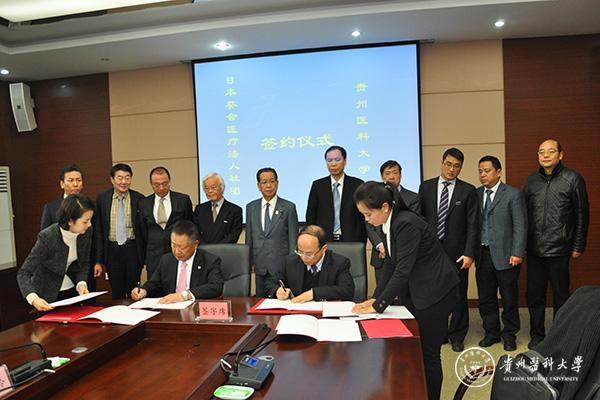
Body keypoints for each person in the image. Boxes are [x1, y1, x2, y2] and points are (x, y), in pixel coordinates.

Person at [352, 181, 459, 400]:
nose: (366, 220)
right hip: (417, 290)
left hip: (435, 293)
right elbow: (390, 264)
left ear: (384, 207)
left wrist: (379, 305)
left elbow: (402, 270)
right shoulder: (388, 223)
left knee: (429, 354)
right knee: (413, 350)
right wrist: (376, 297)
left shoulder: (406, 223)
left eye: (368, 214)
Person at [523, 139, 589, 349]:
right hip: (534, 249)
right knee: (535, 296)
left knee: (561, 296)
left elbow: (582, 215)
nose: (545, 155)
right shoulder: (531, 181)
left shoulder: (573, 179)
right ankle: (537, 335)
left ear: (560, 155)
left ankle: (559, 336)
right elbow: (523, 215)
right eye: (541, 152)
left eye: (550, 151)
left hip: (560, 248)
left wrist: (578, 245)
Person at [416, 147, 478, 352]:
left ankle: (457, 335)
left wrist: (469, 253)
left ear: (461, 168)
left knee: (458, 294)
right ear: (442, 163)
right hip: (431, 253)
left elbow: (472, 224)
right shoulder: (426, 187)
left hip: (457, 253)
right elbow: (420, 220)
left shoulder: (468, 190)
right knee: (435, 295)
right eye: (449, 164)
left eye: (457, 166)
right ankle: (440, 332)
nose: (452, 169)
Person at [476, 155, 527, 352]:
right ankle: (491, 333)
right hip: (483, 254)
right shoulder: (476, 194)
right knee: (486, 298)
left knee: (509, 298)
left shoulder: (513, 194)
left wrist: (517, 252)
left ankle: (510, 335)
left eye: (487, 171)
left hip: (507, 255)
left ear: (498, 172)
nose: (483, 174)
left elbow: (520, 226)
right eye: (480, 171)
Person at [18, 194, 94, 311]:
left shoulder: (86, 232)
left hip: (71, 292)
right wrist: (33, 298)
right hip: (45, 296)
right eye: (85, 221)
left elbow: (84, 263)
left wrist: (81, 283)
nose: (89, 225)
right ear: (70, 221)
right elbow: (23, 273)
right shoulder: (48, 237)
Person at [131, 220, 223, 303]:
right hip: (170, 310)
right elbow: (154, 283)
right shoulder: (166, 260)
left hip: (195, 309)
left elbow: (216, 286)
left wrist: (184, 295)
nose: (177, 251)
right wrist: (143, 291)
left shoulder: (210, 261)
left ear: (195, 244)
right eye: (174, 245)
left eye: (182, 247)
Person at [93, 163, 144, 299]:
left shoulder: (139, 198)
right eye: (120, 178)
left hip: (132, 250)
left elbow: (143, 230)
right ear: (112, 179)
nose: (124, 182)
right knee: (116, 291)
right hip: (112, 251)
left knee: (134, 291)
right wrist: (98, 260)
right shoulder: (102, 198)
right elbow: (98, 230)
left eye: (127, 177)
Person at [265, 225, 354, 302]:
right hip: (297, 312)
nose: (303, 257)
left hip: (325, 313)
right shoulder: (289, 262)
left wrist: (314, 293)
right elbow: (270, 283)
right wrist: (277, 290)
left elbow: (347, 290)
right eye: (300, 252)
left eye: (309, 254)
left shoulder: (339, 263)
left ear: (324, 249)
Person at [246, 167, 299, 297]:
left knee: (281, 300)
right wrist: (249, 261)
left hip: (281, 266)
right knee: (260, 301)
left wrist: (291, 264)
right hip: (260, 265)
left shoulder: (288, 207)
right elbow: (249, 237)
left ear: (277, 183)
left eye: (272, 181)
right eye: (264, 182)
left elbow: (293, 239)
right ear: (259, 186)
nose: (269, 185)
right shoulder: (251, 207)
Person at [367, 160, 418, 284]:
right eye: (387, 173)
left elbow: (412, 226)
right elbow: (369, 225)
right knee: (383, 290)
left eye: (395, 173)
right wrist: (380, 245)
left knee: (403, 291)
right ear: (382, 177)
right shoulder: (373, 198)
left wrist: (393, 248)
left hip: (403, 255)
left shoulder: (413, 198)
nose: (391, 177)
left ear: (401, 175)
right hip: (381, 255)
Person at [138, 166, 193, 278]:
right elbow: (142, 232)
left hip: (179, 256)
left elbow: (190, 227)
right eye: (157, 185)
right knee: (154, 287)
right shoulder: (144, 203)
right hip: (154, 258)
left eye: (165, 183)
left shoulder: (182, 200)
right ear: (151, 184)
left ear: (169, 182)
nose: (161, 188)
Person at [306, 145, 366, 243]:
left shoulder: (357, 184)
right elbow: (311, 215)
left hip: (352, 240)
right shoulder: (318, 185)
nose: (333, 164)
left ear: (345, 161)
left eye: (337, 160)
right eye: (329, 160)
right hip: (324, 240)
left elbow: (363, 215)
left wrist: (361, 239)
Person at [193, 172, 242, 244]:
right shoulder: (200, 209)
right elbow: (195, 232)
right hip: (203, 249)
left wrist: (217, 248)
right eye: (206, 188)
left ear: (222, 188)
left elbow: (234, 234)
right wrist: (205, 247)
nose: (210, 191)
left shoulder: (234, 210)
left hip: (224, 249)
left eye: (213, 187)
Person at [40, 164, 83, 229]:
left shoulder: (89, 206)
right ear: (62, 184)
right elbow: (44, 234)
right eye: (71, 180)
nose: (75, 184)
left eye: (79, 180)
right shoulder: (50, 208)